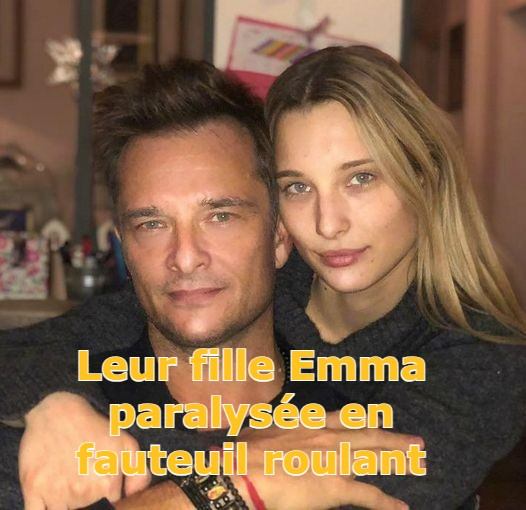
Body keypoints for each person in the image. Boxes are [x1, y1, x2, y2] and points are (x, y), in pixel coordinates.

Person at [1, 46, 525, 509]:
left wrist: (231, 485)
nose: (327, 224)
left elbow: (347, 485)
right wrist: (54, 401)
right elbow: (57, 339)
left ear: (426, 177)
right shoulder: (277, 280)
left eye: (361, 178)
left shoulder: (478, 357)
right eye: (298, 187)